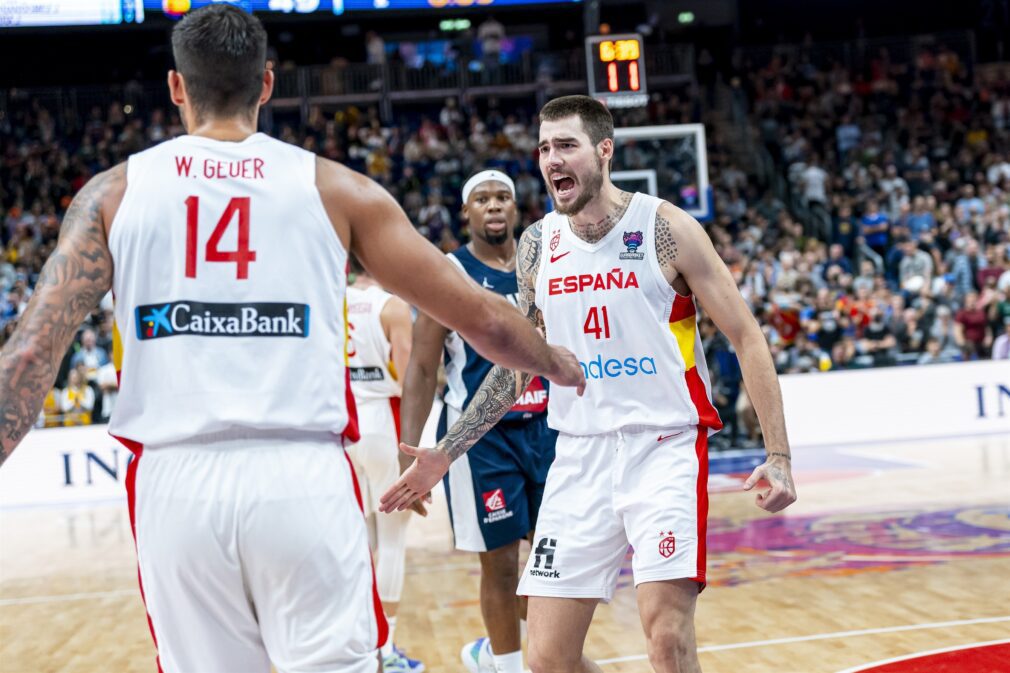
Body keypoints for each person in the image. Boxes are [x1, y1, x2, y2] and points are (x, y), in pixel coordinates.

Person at [0, 7, 585, 673]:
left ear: (176, 87)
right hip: (300, 477)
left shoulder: (111, 193)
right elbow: (479, 316)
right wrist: (556, 361)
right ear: (268, 85)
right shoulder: (338, 189)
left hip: (174, 486)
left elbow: (25, 358)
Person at [382, 95, 797, 673]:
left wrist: (778, 454)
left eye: (567, 145)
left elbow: (748, 337)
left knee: (668, 638)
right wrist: (444, 453)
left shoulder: (665, 228)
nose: (552, 159)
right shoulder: (538, 244)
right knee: (547, 659)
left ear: (604, 150)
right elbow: (517, 363)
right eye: (545, 147)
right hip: (577, 454)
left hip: (665, 446)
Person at [399, 170, 556, 673]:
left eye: (503, 197)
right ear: (465, 212)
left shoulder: (543, 264)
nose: (493, 206)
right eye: (482, 199)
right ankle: (508, 666)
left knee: (555, 563)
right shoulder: (449, 272)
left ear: (516, 208)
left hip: (550, 431)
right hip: (480, 441)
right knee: (502, 561)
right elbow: (423, 366)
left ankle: (504, 654)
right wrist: (410, 453)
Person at [345, 259, 423, 673]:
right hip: (383, 421)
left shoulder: (331, 300)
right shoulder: (390, 306)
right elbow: (411, 375)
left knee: (359, 540)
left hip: (343, 424)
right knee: (392, 539)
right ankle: (386, 649)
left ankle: (358, 642)